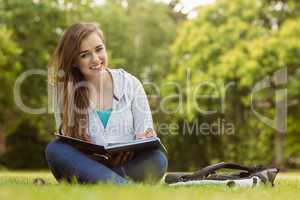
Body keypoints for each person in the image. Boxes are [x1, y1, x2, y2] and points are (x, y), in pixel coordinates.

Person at [45, 22, 168, 184]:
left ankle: (99, 182)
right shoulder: (65, 91)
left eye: (99, 49)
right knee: (56, 148)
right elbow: (67, 140)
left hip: (126, 165)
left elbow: (143, 133)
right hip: (86, 165)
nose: (96, 59)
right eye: (84, 55)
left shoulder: (131, 84)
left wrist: (144, 139)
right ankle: (123, 187)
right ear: (74, 61)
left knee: (157, 158)